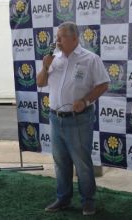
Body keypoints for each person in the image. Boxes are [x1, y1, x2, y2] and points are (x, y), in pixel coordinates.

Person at [37, 21, 110, 216]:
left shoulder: (90, 59)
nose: (57, 40)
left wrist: (86, 101)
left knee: (82, 162)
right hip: (55, 117)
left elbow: (103, 84)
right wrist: (45, 66)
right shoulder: (54, 58)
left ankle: (88, 201)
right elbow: (40, 82)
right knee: (60, 161)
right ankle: (63, 199)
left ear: (75, 38)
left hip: (78, 119)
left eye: (61, 37)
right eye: (57, 37)